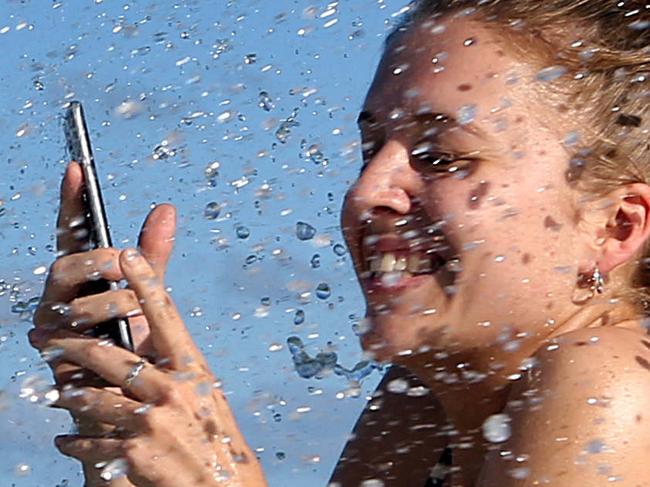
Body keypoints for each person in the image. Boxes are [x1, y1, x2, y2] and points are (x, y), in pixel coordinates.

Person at [28, 0, 650, 485]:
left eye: (440, 157)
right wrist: (132, 455)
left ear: (616, 225)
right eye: (371, 148)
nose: (365, 191)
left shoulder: (611, 385)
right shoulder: (421, 403)